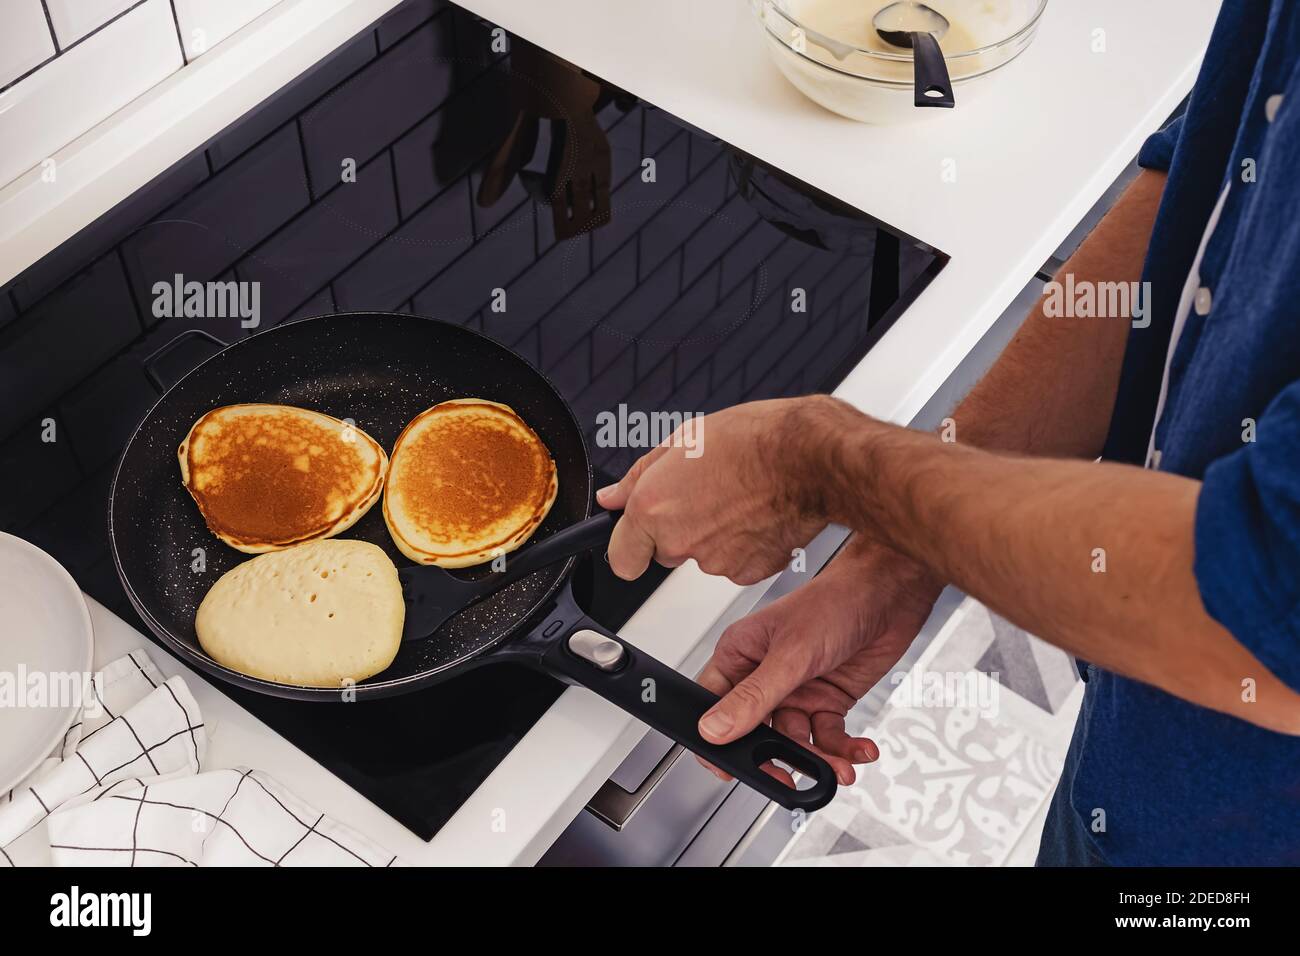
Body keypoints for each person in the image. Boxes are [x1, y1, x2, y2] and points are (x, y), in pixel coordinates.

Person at [597, 0, 1300, 866]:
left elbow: (1269, 603)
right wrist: (894, 559)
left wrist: (811, 461)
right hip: (1143, 751)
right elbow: (1213, 178)